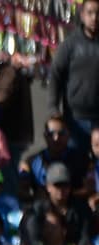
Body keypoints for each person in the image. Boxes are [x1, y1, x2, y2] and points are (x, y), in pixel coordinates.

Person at [48, 0, 99, 141]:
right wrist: (53, 108)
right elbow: (55, 75)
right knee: (76, 160)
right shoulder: (70, 44)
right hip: (74, 119)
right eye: (90, 13)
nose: (94, 17)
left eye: (97, 13)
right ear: (82, 15)